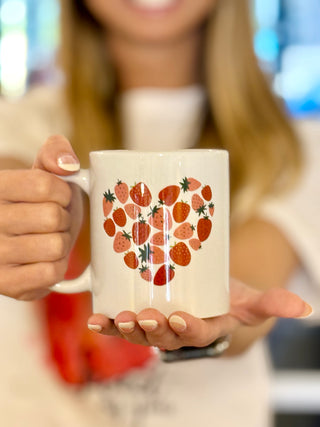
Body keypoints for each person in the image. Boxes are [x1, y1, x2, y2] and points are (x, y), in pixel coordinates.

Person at [0, 0, 319, 426]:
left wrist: (216, 320)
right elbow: (12, 177)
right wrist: (26, 227)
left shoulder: (294, 150)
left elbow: (248, 285)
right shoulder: (18, 126)